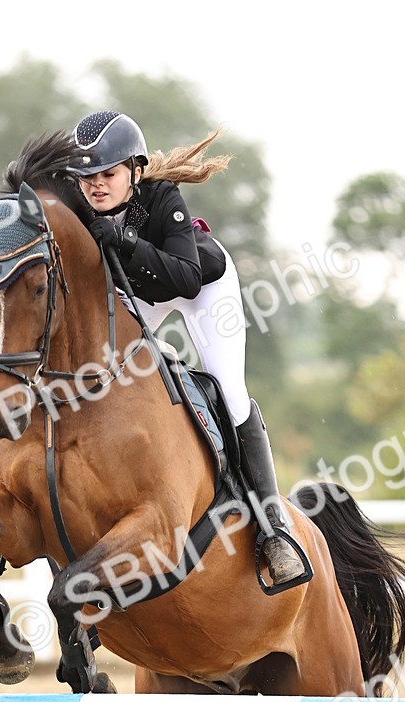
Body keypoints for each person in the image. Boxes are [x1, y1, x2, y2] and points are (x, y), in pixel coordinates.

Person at [70, 110, 309, 589]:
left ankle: (273, 530)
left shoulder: (162, 199)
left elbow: (186, 277)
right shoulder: (79, 205)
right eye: (87, 177)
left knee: (229, 390)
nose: (96, 186)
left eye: (108, 175)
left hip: (201, 285)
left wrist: (126, 241)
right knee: (95, 374)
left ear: (134, 170)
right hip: (141, 292)